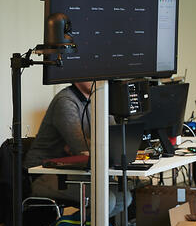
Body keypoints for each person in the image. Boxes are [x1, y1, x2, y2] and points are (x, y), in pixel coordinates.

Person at [24, 82, 131, 217]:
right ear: (77, 78)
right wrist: (90, 145)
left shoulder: (99, 98)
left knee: (124, 197)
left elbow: (112, 139)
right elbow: (81, 146)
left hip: (74, 170)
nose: (97, 79)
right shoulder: (65, 101)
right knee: (106, 200)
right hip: (44, 173)